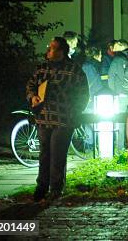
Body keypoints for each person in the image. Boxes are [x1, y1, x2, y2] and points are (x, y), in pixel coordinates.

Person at [26, 37, 88, 202]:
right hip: (44, 117)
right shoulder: (41, 68)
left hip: (63, 119)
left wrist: (73, 112)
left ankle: (55, 189)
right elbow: (31, 85)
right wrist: (32, 97)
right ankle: (41, 187)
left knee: (58, 154)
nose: (49, 50)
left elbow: (83, 95)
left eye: (53, 48)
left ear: (61, 51)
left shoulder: (74, 70)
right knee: (44, 153)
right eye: (49, 47)